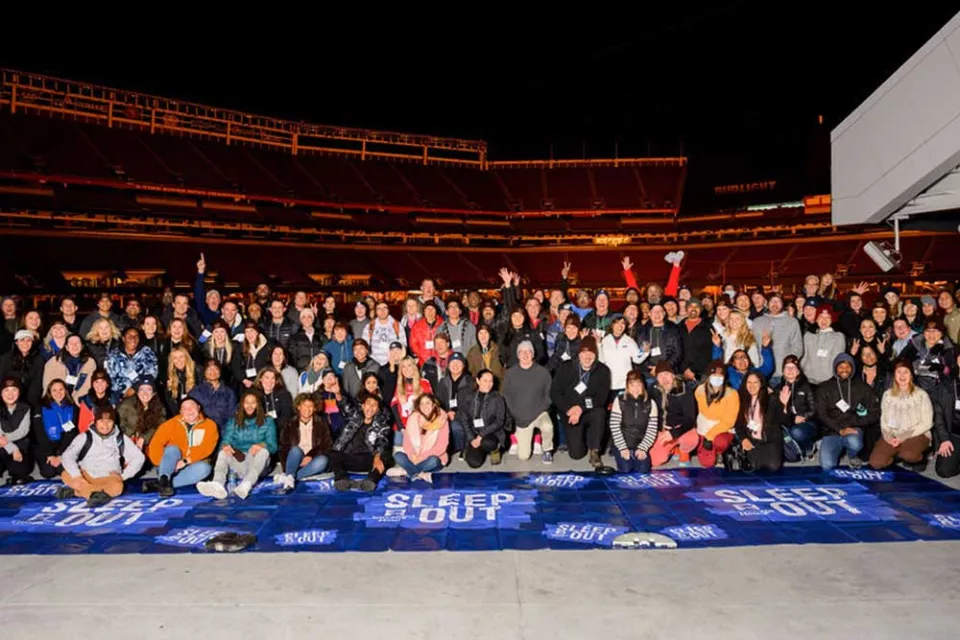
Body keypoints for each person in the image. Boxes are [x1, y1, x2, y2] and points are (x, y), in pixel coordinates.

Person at [56, 406, 145, 507]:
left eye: (109, 421)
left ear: (114, 423)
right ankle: (96, 494)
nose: (105, 425)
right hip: (85, 477)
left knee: (118, 487)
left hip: (108, 478)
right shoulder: (85, 436)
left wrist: (123, 476)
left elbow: (139, 457)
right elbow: (67, 455)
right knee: (66, 474)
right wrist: (77, 475)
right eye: (101, 421)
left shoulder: (120, 438)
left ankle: (78, 492)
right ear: (96, 422)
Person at [197, 390, 278, 500]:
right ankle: (217, 485)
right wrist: (226, 446)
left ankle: (246, 485)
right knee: (223, 452)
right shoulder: (233, 421)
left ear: (258, 404)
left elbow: (273, 446)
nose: (249, 406)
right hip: (240, 462)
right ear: (242, 404)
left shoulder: (268, 421)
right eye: (246, 402)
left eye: (253, 402)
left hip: (258, 464)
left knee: (263, 452)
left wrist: (262, 445)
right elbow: (225, 441)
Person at [550, 336, 612, 467]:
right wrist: (569, 409)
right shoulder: (566, 367)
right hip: (570, 412)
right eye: (584, 353)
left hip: (590, 410)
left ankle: (595, 450)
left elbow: (601, 398)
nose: (587, 356)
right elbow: (555, 392)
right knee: (576, 455)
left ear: (595, 354)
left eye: (591, 353)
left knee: (600, 413)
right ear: (579, 354)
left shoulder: (603, 370)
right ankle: (584, 438)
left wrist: (581, 408)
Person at [815, 353, 880, 470]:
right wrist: (839, 429)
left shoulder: (862, 387)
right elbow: (822, 414)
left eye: (848, 366)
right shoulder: (824, 388)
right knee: (827, 465)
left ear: (853, 368)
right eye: (841, 366)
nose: (844, 370)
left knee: (854, 443)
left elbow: (875, 412)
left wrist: (855, 422)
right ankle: (835, 447)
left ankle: (852, 455)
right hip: (832, 430)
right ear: (835, 368)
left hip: (853, 428)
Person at [147, 397, 219, 496]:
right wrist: (164, 464)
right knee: (173, 448)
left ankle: (162, 485)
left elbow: (206, 449)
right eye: (185, 408)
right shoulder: (171, 424)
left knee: (205, 468)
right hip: (168, 465)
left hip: (190, 464)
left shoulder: (210, 425)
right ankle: (164, 478)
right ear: (180, 411)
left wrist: (185, 461)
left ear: (199, 408)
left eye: (192, 406)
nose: (189, 410)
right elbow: (155, 444)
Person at [870, 359, 933, 470]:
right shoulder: (887, 395)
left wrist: (902, 437)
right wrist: (888, 437)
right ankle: (896, 453)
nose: (902, 375)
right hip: (893, 434)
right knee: (876, 462)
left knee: (909, 454)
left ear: (911, 375)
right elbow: (883, 420)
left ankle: (919, 457)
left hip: (917, 433)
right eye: (899, 372)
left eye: (906, 372)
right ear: (894, 375)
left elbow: (927, 423)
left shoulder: (922, 395)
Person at [501, 340, 555, 463]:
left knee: (548, 426)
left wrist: (539, 410)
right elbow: (506, 395)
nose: (525, 354)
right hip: (520, 417)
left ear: (533, 354)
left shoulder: (543, 372)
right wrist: (515, 413)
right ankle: (523, 437)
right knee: (523, 457)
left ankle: (547, 449)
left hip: (539, 413)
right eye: (522, 352)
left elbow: (549, 395)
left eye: (528, 351)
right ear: (518, 355)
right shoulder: (510, 373)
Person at [329, 392, 391, 491]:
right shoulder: (354, 417)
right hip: (350, 457)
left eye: (374, 405)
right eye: (368, 403)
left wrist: (377, 457)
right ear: (362, 406)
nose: (370, 407)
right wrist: (337, 393)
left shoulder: (382, 425)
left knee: (385, 456)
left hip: (368, 460)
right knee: (333, 453)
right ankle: (341, 479)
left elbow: (382, 442)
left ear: (377, 410)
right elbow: (345, 407)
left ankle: (371, 480)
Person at [277, 393, 333, 491]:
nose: (308, 409)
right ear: (298, 407)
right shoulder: (290, 423)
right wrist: (286, 466)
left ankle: (290, 478)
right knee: (295, 450)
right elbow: (283, 447)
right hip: (295, 458)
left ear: (315, 408)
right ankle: (290, 474)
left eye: (311, 406)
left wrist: (311, 455)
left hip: (312, 459)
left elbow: (327, 444)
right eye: (304, 405)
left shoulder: (321, 423)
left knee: (323, 461)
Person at [391, 393, 450, 482]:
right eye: (421, 403)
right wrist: (412, 456)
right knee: (398, 455)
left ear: (434, 405)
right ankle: (420, 473)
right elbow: (407, 443)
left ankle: (407, 472)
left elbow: (442, 446)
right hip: (414, 457)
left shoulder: (442, 420)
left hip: (432, 458)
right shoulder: (413, 418)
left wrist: (421, 457)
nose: (424, 406)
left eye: (427, 403)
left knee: (433, 461)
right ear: (418, 406)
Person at [609, 370, 659, 473]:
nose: (635, 388)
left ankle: (637, 453)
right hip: (622, 442)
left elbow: (652, 429)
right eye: (632, 385)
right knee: (626, 469)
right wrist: (622, 448)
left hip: (640, 443)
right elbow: (614, 426)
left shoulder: (651, 403)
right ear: (627, 386)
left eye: (638, 385)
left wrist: (643, 448)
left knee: (643, 470)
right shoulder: (619, 400)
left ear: (643, 386)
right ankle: (618, 453)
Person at [456, 369, 508, 468]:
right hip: (474, 432)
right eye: (485, 380)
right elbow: (465, 419)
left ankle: (495, 450)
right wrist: (471, 438)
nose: (488, 384)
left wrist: (481, 436)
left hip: (491, 433)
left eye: (491, 381)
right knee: (474, 463)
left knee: (488, 443)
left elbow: (499, 422)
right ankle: (473, 449)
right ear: (478, 381)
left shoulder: (498, 398)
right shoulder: (469, 398)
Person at [734, 371, 784, 471]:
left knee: (773, 466)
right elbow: (738, 425)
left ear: (761, 384)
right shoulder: (741, 400)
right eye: (749, 382)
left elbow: (784, 420)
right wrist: (744, 439)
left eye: (755, 382)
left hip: (770, 441)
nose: (752, 385)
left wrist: (784, 406)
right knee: (751, 467)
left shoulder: (771, 399)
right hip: (751, 440)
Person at [694, 361, 739, 467]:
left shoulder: (732, 394)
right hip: (703, 428)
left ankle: (722, 452)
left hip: (722, 429)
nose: (717, 379)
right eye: (714, 376)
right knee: (706, 463)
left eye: (720, 376)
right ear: (709, 377)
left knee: (720, 442)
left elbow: (729, 421)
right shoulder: (699, 391)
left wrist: (710, 436)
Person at [33, 378, 80, 479]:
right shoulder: (40, 407)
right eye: (54, 390)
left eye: (61, 389)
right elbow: (40, 433)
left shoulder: (72, 407)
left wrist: (60, 455)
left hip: (63, 444)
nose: (58, 393)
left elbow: (70, 432)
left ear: (65, 391)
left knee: (62, 469)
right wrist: (50, 455)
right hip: (46, 443)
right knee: (48, 472)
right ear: (49, 392)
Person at [0, 376, 33, 485]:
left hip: (20, 444)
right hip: (3, 445)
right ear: (1, 393)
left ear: (19, 392)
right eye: (6, 390)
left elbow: (23, 430)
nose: (10, 394)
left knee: (20, 473)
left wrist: (7, 439)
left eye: (14, 390)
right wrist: (13, 449)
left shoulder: (25, 408)